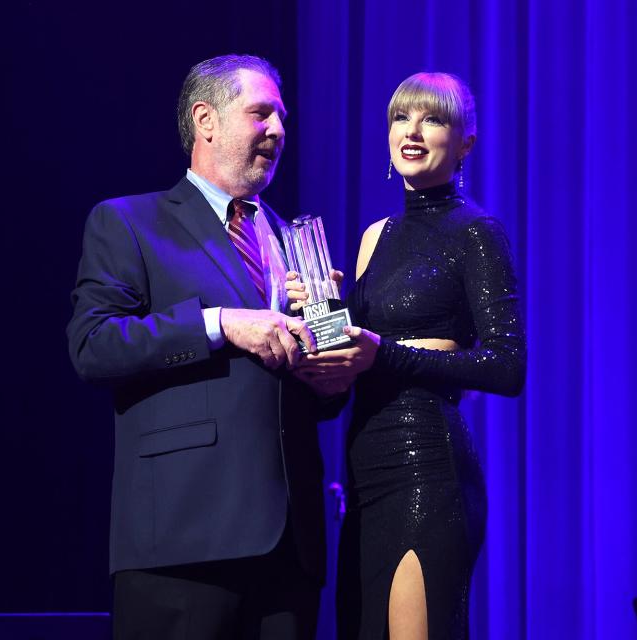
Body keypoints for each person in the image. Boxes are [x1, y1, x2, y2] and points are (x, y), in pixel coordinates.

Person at [67, 54, 336, 640]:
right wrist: (219, 323)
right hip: (183, 541)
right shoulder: (131, 222)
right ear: (206, 120)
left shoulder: (293, 241)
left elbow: (309, 392)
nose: (279, 130)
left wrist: (331, 360)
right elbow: (93, 345)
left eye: (283, 118)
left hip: (288, 548)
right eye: (261, 113)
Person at [290, 72, 526, 639]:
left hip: (427, 466)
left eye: (434, 119)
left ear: (465, 143)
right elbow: (353, 364)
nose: (412, 132)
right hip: (364, 470)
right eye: (401, 118)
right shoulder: (375, 235)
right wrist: (317, 323)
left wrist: (385, 353)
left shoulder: (476, 231)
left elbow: (506, 365)